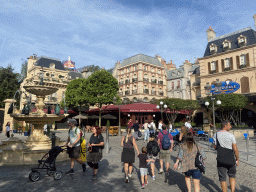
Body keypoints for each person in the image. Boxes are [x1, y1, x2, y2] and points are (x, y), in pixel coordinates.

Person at [213, 120, 239, 192]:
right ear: (225, 126)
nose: (230, 126)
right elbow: (235, 149)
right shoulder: (231, 136)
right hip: (231, 158)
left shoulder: (216, 135)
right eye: (229, 125)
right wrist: (237, 158)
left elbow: (214, 147)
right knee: (232, 176)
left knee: (222, 178)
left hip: (221, 159)